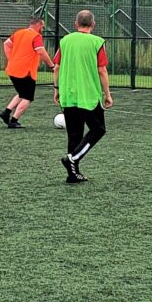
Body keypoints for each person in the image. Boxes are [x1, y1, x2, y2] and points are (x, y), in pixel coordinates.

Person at [52, 9, 112, 183]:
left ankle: (73, 174)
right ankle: (73, 160)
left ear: (75, 24)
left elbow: (56, 67)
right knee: (98, 129)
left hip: (69, 95)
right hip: (89, 95)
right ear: (93, 24)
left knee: (74, 135)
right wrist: (107, 94)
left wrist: (57, 89)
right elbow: (102, 70)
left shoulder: (65, 41)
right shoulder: (97, 42)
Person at [0, 15, 55, 128]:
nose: (42, 29)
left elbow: (6, 44)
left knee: (22, 93)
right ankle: (14, 120)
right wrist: (51, 66)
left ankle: (6, 113)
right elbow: (41, 52)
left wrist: (11, 59)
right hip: (26, 72)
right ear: (38, 25)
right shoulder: (36, 36)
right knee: (28, 97)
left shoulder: (19, 33)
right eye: (42, 27)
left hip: (12, 69)